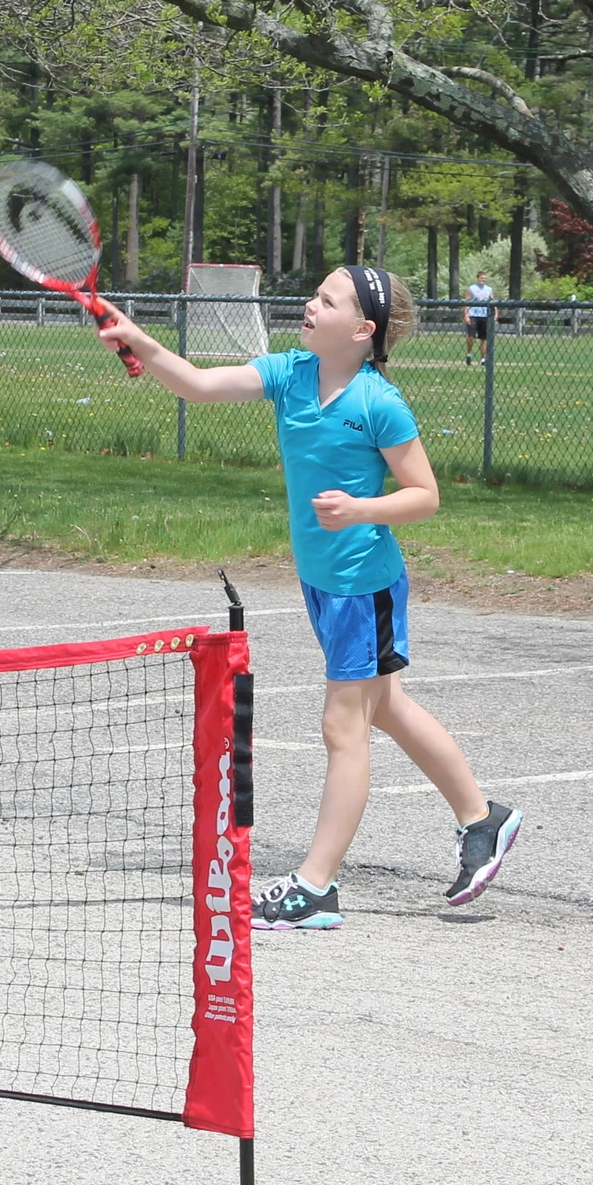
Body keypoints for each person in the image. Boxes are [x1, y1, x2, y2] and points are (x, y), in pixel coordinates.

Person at [92, 265, 522, 929]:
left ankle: (315, 887)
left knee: (343, 726)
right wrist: (139, 340)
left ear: (362, 329)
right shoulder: (290, 374)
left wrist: (359, 508)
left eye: (328, 299)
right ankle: (482, 816)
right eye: (315, 294)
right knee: (387, 709)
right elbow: (201, 386)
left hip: (363, 586)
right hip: (322, 582)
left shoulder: (379, 403)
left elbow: (425, 495)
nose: (310, 304)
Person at [465, 274, 495, 364]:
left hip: (485, 315)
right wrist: (466, 314)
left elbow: (493, 302)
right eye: (482, 278)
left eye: (485, 278)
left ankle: (483, 359)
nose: (483, 280)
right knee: (471, 337)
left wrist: (495, 314)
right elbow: (467, 302)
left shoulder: (489, 289)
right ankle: (469, 354)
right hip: (473, 314)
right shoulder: (472, 288)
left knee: (483, 338)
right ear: (478, 278)